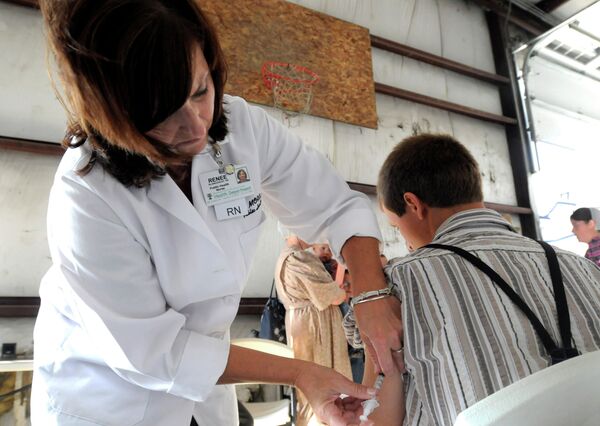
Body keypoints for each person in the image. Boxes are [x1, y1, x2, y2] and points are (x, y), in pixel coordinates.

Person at [32, 1, 403, 425]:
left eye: (200, 91)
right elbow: (155, 355)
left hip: (207, 396)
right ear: (115, 113)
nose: (195, 128)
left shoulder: (242, 126)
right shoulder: (86, 193)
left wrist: (372, 296)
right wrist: (303, 372)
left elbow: (335, 205)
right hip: (111, 400)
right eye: (162, 114)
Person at [351, 134, 600, 425]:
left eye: (396, 226)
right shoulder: (584, 268)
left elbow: (378, 421)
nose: (404, 241)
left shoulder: (396, 285)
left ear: (413, 204)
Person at [275, 236, 352, 425]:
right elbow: (332, 296)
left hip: (303, 322)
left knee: (309, 389)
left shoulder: (287, 256)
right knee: (322, 386)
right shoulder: (299, 258)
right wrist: (343, 291)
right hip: (314, 326)